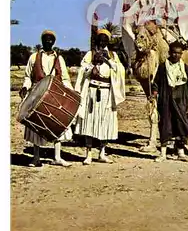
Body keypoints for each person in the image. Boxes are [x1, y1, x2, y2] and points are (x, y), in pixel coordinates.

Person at [19, 30, 74, 167]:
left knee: (58, 124)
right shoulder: (33, 57)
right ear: (42, 41)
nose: (48, 41)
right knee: (36, 125)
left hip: (55, 95)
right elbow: (28, 76)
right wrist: (25, 87)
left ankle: (57, 157)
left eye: (51, 39)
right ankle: (36, 157)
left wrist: (70, 92)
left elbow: (65, 77)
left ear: (54, 42)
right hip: (37, 95)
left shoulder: (59, 58)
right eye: (46, 39)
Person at [74, 29, 125, 165]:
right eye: (100, 40)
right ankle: (89, 154)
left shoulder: (113, 55)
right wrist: (92, 64)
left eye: (105, 40)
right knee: (90, 122)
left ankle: (102, 152)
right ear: (96, 40)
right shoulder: (90, 54)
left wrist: (107, 60)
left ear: (108, 42)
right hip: (92, 91)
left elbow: (120, 70)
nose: (102, 42)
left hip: (107, 93)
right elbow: (82, 70)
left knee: (105, 122)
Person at [151, 41, 188, 162]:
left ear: (181, 54)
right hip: (166, 99)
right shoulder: (162, 66)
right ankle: (163, 154)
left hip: (182, 100)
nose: (176, 55)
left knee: (182, 124)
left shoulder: (185, 67)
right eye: (174, 52)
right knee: (166, 124)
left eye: (178, 53)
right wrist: (154, 93)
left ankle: (180, 152)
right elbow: (156, 82)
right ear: (170, 53)